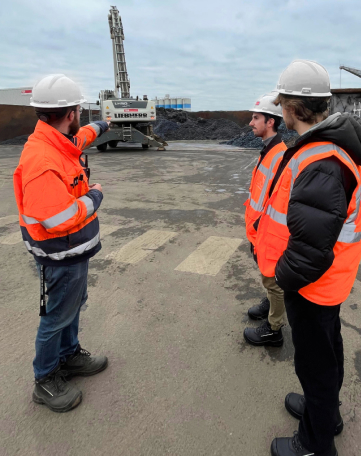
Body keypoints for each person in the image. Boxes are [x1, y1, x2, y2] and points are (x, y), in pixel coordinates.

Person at [254, 60, 361, 456]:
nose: (279, 108)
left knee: (315, 366)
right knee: (328, 350)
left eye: (282, 102)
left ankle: (315, 444)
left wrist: (283, 276)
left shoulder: (323, 161)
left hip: (313, 284)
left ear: (293, 107)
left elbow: (312, 249)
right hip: (328, 281)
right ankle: (326, 415)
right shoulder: (325, 149)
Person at [13, 74, 110, 413]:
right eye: (81, 111)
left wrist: (101, 124)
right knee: (56, 316)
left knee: (73, 304)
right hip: (59, 253)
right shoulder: (41, 159)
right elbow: (56, 218)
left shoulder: (56, 140)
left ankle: (69, 356)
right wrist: (94, 197)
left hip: (73, 250)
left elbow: (79, 139)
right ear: (70, 113)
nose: (81, 117)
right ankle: (45, 379)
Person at [243, 92, 287, 347]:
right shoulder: (268, 151)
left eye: (255, 117)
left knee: (274, 281)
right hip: (259, 231)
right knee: (268, 278)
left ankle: (274, 329)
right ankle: (270, 301)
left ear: (270, 122)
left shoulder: (279, 155)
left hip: (269, 233)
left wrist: (261, 232)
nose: (251, 122)